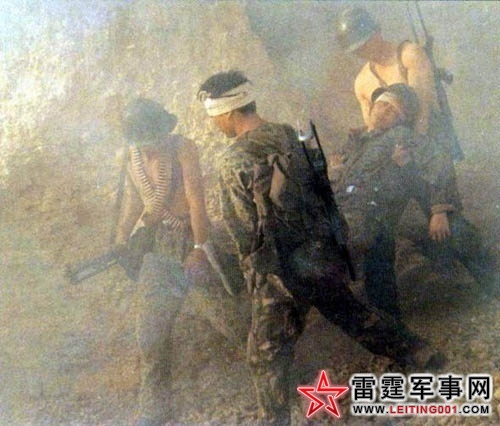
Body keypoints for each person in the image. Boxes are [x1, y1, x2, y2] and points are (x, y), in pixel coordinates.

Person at [198, 70, 445, 426]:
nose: (214, 124)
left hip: (280, 269)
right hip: (317, 252)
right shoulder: (286, 133)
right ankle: (421, 353)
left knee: (264, 354)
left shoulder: (232, 159)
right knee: (352, 313)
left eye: (214, 116)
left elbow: (245, 231)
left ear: (229, 111)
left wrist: (255, 280)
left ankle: (273, 421)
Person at [331, 83, 497, 319]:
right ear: (372, 106)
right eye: (383, 104)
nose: (385, 111)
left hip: (378, 216)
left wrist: (439, 210)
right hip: (346, 215)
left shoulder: (400, 137)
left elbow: (439, 162)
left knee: (379, 252)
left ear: (400, 120)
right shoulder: (354, 142)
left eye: (394, 110)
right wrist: (334, 170)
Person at [114, 98, 213, 426]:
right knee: (151, 332)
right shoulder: (130, 157)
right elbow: (134, 199)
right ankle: (154, 407)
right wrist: (122, 238)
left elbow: (196, 199)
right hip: (159, 245)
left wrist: (200, 247)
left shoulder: (182, 148)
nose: (150, 146)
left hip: (191, 236)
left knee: (228, 311)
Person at [335, 5, 461, 244]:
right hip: (394, 160)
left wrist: (411, 155)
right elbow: (374, 131)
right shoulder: (362, 82)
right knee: (377, 229)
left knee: (449, 224)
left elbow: (422, 113)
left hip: (426, 148)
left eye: (365, 43)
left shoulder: (409, 55)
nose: (362, 51)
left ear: (376, 32)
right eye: (356, 49)